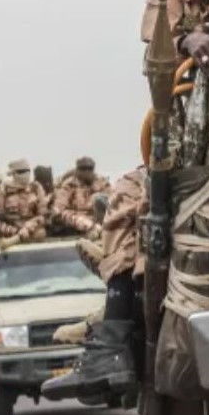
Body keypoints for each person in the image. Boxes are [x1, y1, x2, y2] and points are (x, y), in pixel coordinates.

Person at [41, 166, 147, 401]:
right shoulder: (68, 186)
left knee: (128, 196)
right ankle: (109, 332)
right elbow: (57, 210)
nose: (88, 172)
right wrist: (87, 224)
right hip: (77, 226)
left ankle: (109, 344)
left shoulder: (109, 184)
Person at [0, 159, 48, 245]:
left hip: (31, 229)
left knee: (40, 233)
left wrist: (26, 229)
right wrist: (13, 230)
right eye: (21, 172)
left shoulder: (36, 188)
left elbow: (42, 216)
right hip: (10, 230)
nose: (26, 174)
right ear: (14, 174)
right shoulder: (5, 190)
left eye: (28, 171)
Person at [50, 157, 111, 238]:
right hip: (76, 218)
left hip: (96, 216)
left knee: (100, 199)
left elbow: (112, 201)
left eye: (90, 169)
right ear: (78, 170)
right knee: (62, 213)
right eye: (83, 169)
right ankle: (92, 229)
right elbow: (59, 207)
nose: (87, 172)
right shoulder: (69, 185)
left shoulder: (102, 183)